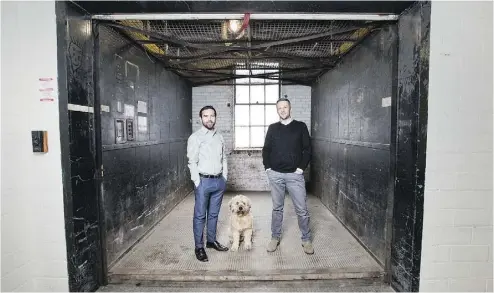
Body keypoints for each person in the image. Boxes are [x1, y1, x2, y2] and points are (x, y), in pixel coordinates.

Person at [262, 98, 314, 254]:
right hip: (275, 174)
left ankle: (306, 239)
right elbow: (266, 149)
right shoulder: (272, 128)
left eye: (285, 107)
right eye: (279, 108)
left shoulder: (300, 126)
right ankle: (275, 237)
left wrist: (301, 168)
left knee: (302, 209)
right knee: (277, 208)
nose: (282, 110)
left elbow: (307, 149)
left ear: (290, 108)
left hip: (294, 175)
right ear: (277, 110)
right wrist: (268, 168)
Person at [187, 105, 229, 262]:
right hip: (203, 182)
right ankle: (199, 247)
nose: (209, 119)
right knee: (199, 216)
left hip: (218, 181)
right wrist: (197, 182)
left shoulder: (220, 137)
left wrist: (224, 176)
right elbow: (192, 161)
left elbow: (223, 158)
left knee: (213, 214)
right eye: (206, 116)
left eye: (212, 116)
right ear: (201, 118)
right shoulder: (195, 137)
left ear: (215, 118)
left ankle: (211, 242)